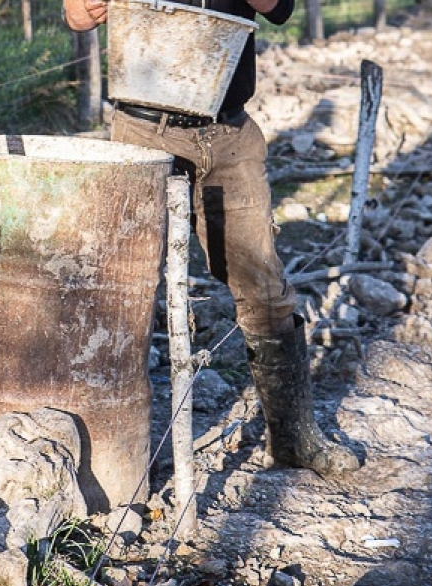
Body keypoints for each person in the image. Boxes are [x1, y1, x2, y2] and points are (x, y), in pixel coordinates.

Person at [63, 0, 361, 476]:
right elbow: (77, 15)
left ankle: (293, 438)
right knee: (120, 286)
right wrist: (82, 10)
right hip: (142, 130)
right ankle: (106, 454)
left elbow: (278, 8)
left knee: (263, 286)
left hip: (228, 133)